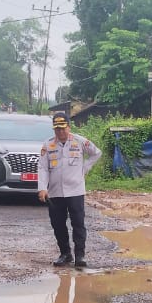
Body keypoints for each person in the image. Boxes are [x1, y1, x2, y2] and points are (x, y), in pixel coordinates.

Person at [38, 112, 102, 268]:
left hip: (76, 191)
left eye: (63, 128)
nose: (60, 132)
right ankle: (65, 254)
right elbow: (43, 168)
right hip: (55, 192)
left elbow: (96, 153)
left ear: (69, 127)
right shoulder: (48, 145)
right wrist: (42, 188)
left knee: (78, 224)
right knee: (58, 225)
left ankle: (80, 255)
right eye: (57, 129)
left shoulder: (79, 142)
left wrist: (84, 168)